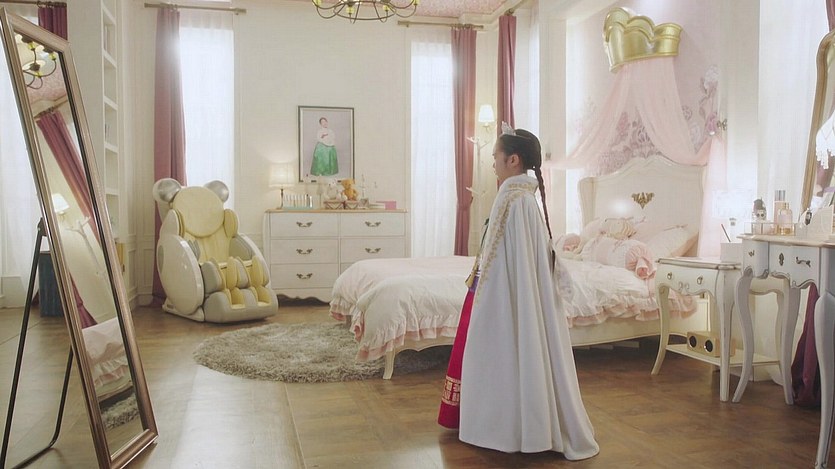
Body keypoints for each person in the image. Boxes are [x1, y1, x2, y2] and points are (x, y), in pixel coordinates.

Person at [439, 124, 599, 461]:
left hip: (502, 298)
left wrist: (493, 302)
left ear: (513, 160)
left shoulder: (516, 200)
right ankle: (502, 425)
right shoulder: (517, 198)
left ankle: (507, 428)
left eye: (495, 156)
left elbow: (514, 263)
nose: (492, 163)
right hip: (501, 294)